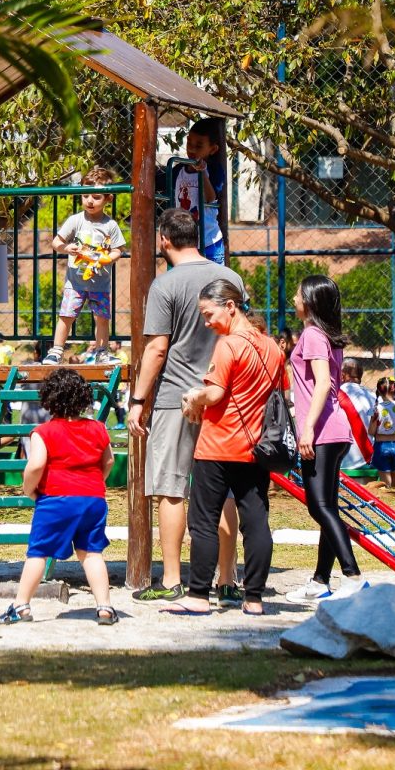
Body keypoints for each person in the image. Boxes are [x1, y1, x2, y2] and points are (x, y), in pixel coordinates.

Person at [127, 208, 247, 605]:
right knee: (224, 490)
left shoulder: (165, 285)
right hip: (223, 395)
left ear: (164, 239)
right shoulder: (230, 278)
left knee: (170, 487)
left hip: (175, 396)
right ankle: (226, 578)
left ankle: (172, 578)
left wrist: (138, 400)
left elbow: (157, 349)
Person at [164, 279, 281, 616]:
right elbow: (275, 393)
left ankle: (199, 595)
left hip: (217, 446)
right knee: (256, 521)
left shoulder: (228, 345)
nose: (207, 322)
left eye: (208, 314)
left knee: (203, 520)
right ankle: (254, 598)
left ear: (230, 306)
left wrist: (193, 396)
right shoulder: (273, 348)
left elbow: (214, 395)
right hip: (256, 448)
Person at [0, 369, 117, 626]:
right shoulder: (98, 428)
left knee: (38, 552)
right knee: (91, 553)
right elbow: (109, 461)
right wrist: (95, 483)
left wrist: (29, 489)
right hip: (93, 499)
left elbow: (36, 465)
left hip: (56, 499)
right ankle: (105, 607)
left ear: (49, 399)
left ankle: (21, 605)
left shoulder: (44, 432)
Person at [284, 275, 366, 602]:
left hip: (323, 432)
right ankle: (320, 580)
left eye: (298, 294)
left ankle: (353, 575)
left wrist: (307, 429)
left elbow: (321, 384)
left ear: (310, 301)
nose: (294, 299)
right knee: (326, 507)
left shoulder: (313, 335)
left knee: (319, 507)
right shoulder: (326, 336)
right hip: (333, 431)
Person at [43, 168, 127, 364]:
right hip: (75, 283)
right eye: (85, 195)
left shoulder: (110, 225)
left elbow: (118, 250)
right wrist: (66, 248)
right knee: (66, 315)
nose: (90, 200)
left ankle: (102, 352)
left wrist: (107, 258)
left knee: (102, 318)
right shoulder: (76, 220)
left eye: (96, 197)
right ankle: (56, 351)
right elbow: (56, 242)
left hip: (100, 283)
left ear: (108, 199)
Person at [171, 118, 228, 263]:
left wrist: (202, 173)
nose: (191, 149)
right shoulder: (179, 170)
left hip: (210, 242)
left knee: (214, 278)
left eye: (199, 146)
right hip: (185, 244)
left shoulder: (214, 170)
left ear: (212, 149)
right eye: (189, 143)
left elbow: (209, 198)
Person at [370, 376, 395, 490]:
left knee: (385, 482)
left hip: (381, 446)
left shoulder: (376, 409)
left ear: (379, 391)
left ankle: (386, 499)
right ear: (394, 390)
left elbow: (371, 431)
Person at [338, 358, 377, 472]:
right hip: (368, 460)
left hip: (341, 462)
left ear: (342, 375)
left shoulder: (335, 395)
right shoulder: (372, 397)